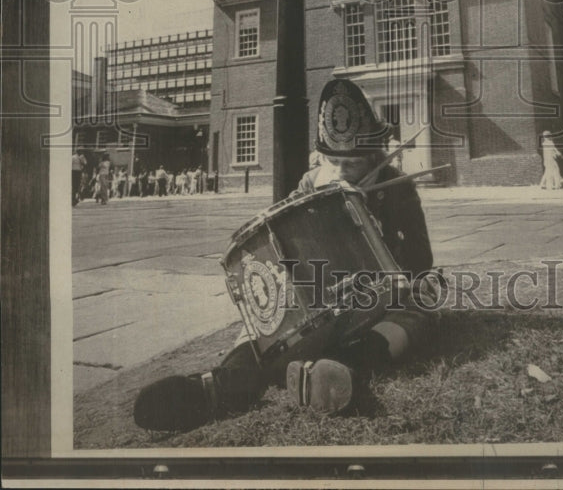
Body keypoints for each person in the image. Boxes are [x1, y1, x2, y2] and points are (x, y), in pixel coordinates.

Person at [133, 78, 435, 433]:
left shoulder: (397, 187)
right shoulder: (311, 183)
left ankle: (345, 366)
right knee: (267, 317)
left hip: (380, 300)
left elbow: (419, 262)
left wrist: (372, 222)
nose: (338, 172)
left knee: (427, 294)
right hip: (320, 300)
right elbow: (282, 241)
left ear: (374, 157)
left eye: (351, 164)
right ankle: (222, 385)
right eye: (332, 161)